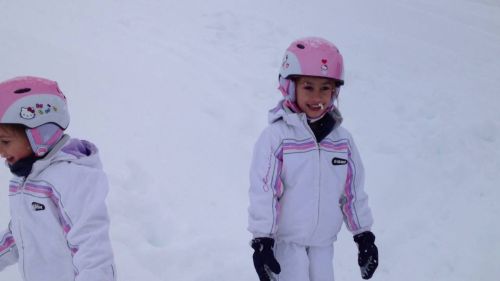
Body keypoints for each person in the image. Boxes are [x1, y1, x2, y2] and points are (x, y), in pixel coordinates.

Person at [248, 37, 378, 281]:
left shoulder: (343, 141)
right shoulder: (277, 139)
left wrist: (364, 235)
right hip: (287, 246)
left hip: (322, 246)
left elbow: (352, 192)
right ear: (290, 86)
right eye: (308, 87)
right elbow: (264, 191)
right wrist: (262, 239)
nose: (317, 97)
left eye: (325, 88)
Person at [0, 76, 116, 281]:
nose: (0, 151)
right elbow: (20, 235)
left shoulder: (71, 179)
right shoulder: (24, 179)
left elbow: (92, 250)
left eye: (5, 141)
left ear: (40, 134)